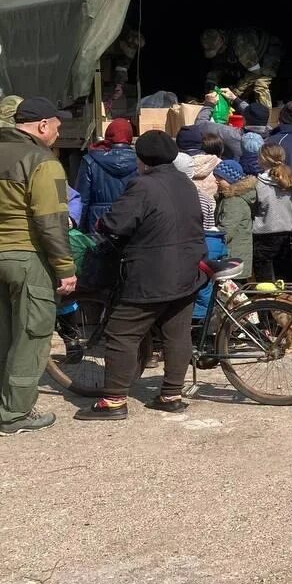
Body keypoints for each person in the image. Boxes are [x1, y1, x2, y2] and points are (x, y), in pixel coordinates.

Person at [73, 130, 205, 421]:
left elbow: (115, 223)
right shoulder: (184, 182)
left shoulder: (143, 185)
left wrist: (102, 223)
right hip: (188, 270)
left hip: (151, 274)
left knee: (121, 333)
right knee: (177, 333)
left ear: (142, 158)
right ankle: (171, 395)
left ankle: (113, 401)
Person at [0, 99, 75, 436]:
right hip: (24, 256)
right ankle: (14, 414)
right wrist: (65, 269)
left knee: (3, 333)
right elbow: (51, 222)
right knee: (32, 334)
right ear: (43, 125)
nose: (58, 135)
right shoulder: (43, 162)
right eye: (57, 127)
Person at [75, 117, 137, 232]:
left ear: (108, 135)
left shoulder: (90, 160)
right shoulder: (139, 162)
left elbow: (82, 200)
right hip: (129, 221)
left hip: (97, 222)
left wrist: (78, 229)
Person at [252, 144, 292, 282]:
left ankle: (266, 301)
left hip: (265, 231)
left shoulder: (259, 183)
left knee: (263, 273)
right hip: (287, 229)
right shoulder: (289, 180)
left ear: (262, 159)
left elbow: (256, 205)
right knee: (283, 274)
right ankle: (283, 300)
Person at [214, 159, 256, 263]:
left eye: (220, 178)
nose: (216, 180)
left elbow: (226, 230)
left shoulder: (233, 201)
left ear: (230, 180)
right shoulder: (227, 197)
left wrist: (211, 242)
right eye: (215, 176)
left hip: (232, 256)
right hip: (235, 254)